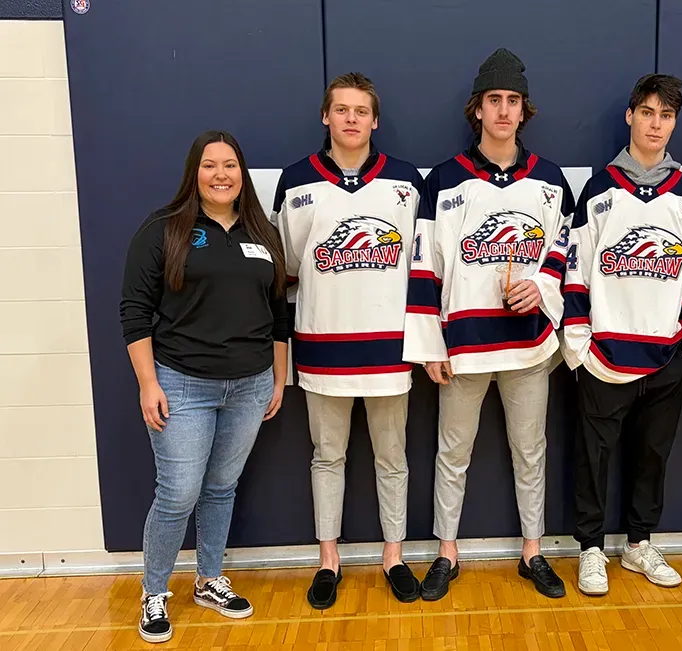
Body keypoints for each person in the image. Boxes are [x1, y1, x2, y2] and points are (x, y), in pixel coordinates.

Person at [403, 48, 574, 601]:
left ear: (526, 110)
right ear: (477, 109)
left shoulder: (549, 181)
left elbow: (566, 251)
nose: (504, 111)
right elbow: (425, 264)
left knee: (531, 451)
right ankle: (446, 553)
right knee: (453, 452)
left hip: (528, 347)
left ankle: (533, 551)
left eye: (513, 101)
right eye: (494, 101)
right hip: (465, 347)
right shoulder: (444, 181)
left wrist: (541, 287)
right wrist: (431, 342)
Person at [119, 130, 289, 643]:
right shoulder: (164, 230)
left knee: (220, 489)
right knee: (178, 495)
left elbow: (279, 315)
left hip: (250, 385)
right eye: (211, 165)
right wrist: (148, 383)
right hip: (182, 383)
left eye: (230, 165)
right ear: (195, 173)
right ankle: (154, 593)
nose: (221, 174)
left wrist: (277, 379)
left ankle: (209, 579)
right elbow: (134, 313)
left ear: (242, 174)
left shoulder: (263, 233)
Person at [272, 72, 424, 609]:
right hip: (322, 348)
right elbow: (286, 266)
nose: (352, 119)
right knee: (326, 457)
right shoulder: (295, 183)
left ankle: (394, 556)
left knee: (393, 458)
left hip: (388, 349)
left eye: (361, 110)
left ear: (375, 119)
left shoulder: (406, 183)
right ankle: (328, 560)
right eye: (342, 110)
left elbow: (418, 264)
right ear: (326, 116)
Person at [561, 74, 682, 596]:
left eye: (665, 116)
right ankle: (591, 549)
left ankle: (640, 543)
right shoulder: (600, 190)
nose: (655, 124)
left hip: (666, 357)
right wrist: (579, 347)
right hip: (605, 358)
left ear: (674, 123)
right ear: (630, 116)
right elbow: (574, 273)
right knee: (592, 458)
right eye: (647, 112)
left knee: (653, 456)